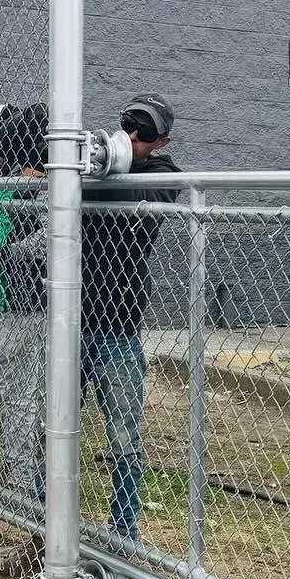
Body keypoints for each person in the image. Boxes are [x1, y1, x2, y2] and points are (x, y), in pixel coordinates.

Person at [80, 92, 180, 542]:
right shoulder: (95, 161)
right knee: (51, 423)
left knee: (122, 433)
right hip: (72, 318)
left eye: (145, 131)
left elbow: (141, 192)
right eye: (129, 123)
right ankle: (46, 512)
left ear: (161, 142)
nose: (133, 135)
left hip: (118, 321)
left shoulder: (163, 174)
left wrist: (104, 165)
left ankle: (124, 528)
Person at [0, 103, 48, 502]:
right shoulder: (0, 184)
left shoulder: (44, 188)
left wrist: (0, 254)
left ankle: (23, 484)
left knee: (21, 396)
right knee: (2, 390)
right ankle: (22, 464)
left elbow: (44, 242)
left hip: (25, 305)